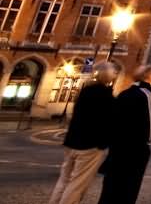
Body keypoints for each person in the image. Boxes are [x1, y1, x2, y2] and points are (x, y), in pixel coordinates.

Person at [48, 62, 117, 204]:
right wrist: (105, 142)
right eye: (114, 72)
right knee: (77, 184)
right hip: (90, 146)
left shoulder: (85, 91)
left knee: (64, 179)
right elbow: (109, 122)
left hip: (72, 141)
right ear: (107, 76)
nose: (115, 75)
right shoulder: (105, 95)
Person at [98, 65, 151, 204]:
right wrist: (148, 140)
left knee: (111, 186)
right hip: (136, 148)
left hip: (117, 147)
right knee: (129, 188)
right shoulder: (146, 93)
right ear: (148, 76)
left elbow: (112, 119)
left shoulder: (125, 93)